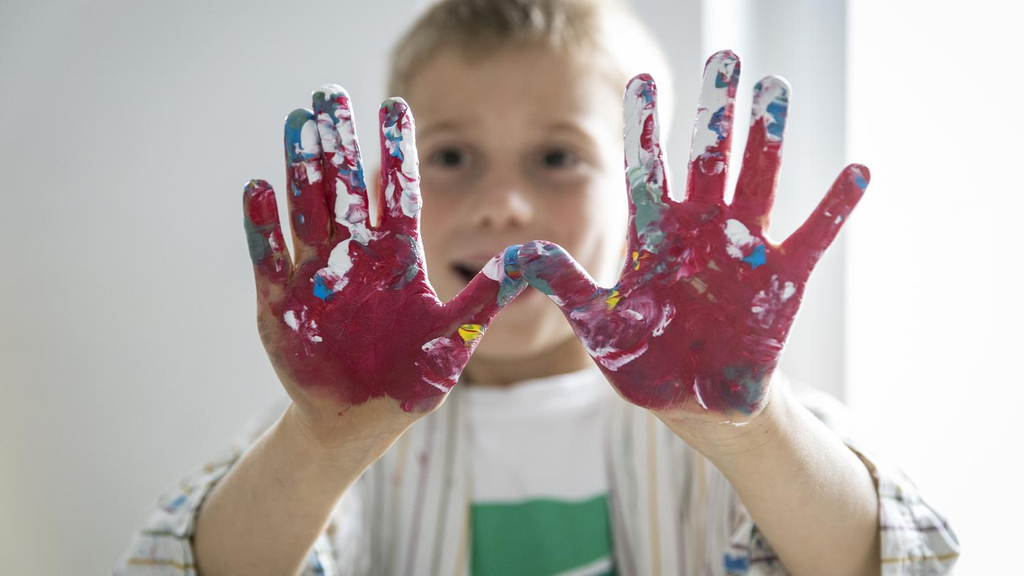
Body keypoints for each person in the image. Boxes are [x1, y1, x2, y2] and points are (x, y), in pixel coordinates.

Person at [115, 0, 960, 574]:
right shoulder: (337, 420)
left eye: (558, 158)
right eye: (449, 158)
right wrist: (323, 442)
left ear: (645, 191)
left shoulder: (740, 415)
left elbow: (906, 557)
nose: (504, 205)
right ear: (388, 184)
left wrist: (747, 428)